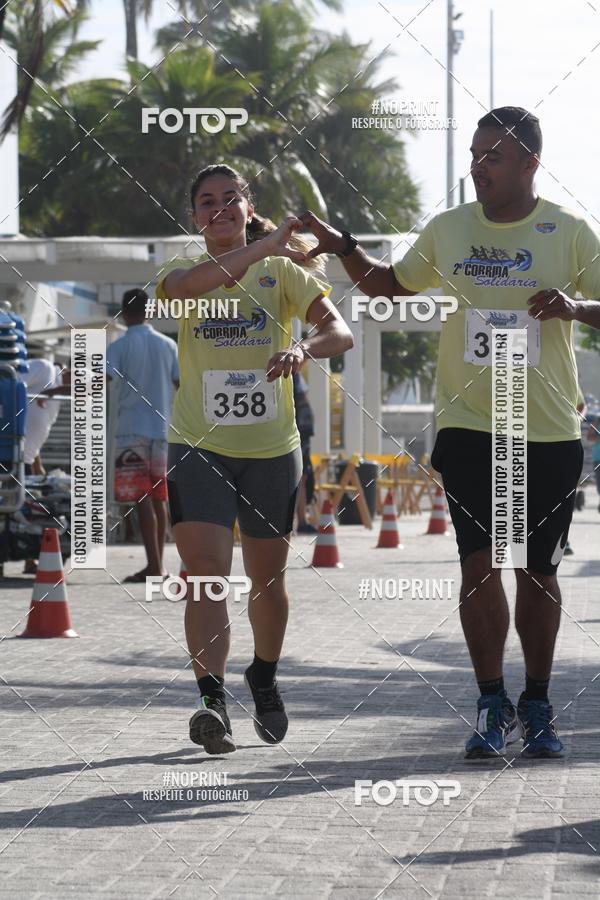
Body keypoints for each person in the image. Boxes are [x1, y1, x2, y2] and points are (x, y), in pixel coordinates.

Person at [300, 107, 600, 759]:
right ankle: (491, 702)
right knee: (478, 566)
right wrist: (343, 246)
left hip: (546, 430)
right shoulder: (449, 228)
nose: (477, 166)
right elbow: (390, 285)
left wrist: (575, 307)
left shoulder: (571, 232)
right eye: (473, 153)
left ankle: (538, 704)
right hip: (468, 427)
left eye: (493, 156)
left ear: (530, 163)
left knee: (537, 573)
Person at [155, 163, 353, 754]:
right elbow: (189, 288)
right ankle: (211, 701)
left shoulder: (281, 272)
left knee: (268, 578)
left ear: (248, 206)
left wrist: (302, 348)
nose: (218, 209)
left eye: (229, 198)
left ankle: (263, 674)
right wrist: (264, 246)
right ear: (194, 215)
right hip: (198, 444)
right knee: (206, 575)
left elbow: (340, 333)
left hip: (270, 449)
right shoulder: (180, 271)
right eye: (206, 201)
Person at [106, 288, 179, 583]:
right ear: (149, 312)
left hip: (131, 431)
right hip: (163, 430)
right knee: (159, 498)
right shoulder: (168, 345)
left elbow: (101, 380)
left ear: (124, 313)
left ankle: (154, 567)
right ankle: (159, 565)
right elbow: (180, 383)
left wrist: (64, 386)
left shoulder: (119, 347)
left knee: (141, 499)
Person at [20, 358, 71, 574]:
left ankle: (29, 558)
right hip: (10, 454)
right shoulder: (44, 368)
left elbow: (34, 426)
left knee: (23, 509)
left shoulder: (56, 395)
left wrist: (37, 465)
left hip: (25, 459)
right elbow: (9, 383)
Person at [293, 370, 317, 533]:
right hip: (297, 433)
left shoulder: (295, 375)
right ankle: (299, 520)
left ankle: (300, 520)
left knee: (302, 477)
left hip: (301, 433)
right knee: (300, 477)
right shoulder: (292, 375)